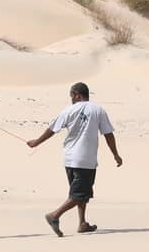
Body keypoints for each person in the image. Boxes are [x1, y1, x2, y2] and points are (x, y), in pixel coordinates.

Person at [26, 82, 122, 236]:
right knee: (80, 194)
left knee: (78, 192)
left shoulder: (68, 110)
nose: (71, 99)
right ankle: (54, 215)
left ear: (78, 95)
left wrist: (36, 142)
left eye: (71, 95)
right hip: (86, 159)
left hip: (69, 159)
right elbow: (108, 134)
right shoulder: (98, 110)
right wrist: (115, 154)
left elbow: (52, 129)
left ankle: (82, 223)